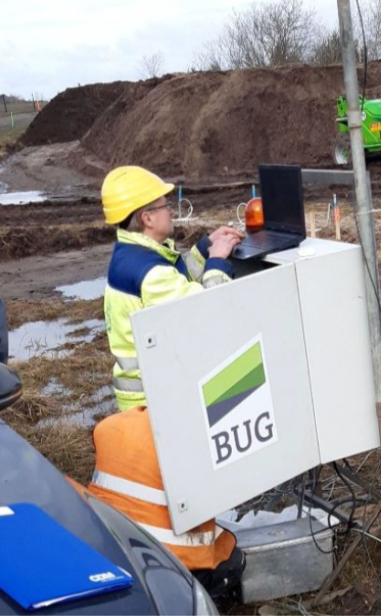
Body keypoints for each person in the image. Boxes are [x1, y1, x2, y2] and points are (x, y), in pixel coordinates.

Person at [88, 165, 245, 598]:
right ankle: (190, 575)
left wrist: (202, 249)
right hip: (151, 402)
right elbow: (205, 305)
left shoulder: (136, 258)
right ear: (145, 218)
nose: (171, 211)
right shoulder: (149, 272)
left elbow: (176, 274)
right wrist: (218, 263)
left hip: (145, 397)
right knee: (173, 494)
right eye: (163, 206)